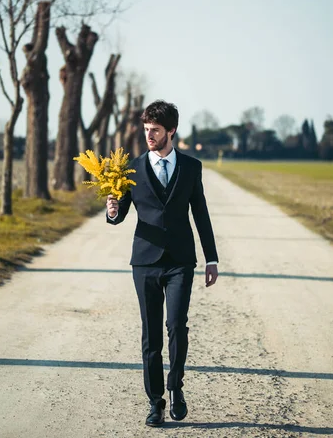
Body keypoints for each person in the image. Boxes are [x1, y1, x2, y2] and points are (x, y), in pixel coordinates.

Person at [106, 100, 218, 427]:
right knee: (151, 334)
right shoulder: (131, 168)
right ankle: (155, 402)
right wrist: (112, 211)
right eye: (146, 130)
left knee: (176, 327)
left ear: (171, 131)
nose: (149, 135)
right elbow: (120, 213)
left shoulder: (191, 167)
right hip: (144, 262)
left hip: (181, 261)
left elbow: (201, 214)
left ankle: (176, 387)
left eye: (155, 130)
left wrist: (211, 258)